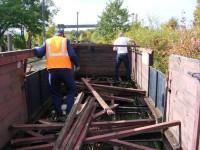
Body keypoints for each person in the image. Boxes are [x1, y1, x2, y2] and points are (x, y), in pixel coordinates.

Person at [34, 29, 80, 120]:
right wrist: (77, 65)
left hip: (52, 72)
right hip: (65, 71)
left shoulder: (47, 41)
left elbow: (39, 54)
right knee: (72, 89)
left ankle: (59, 115)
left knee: (55, 93)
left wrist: (35, 48)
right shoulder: (65, 41)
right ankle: (68, 113)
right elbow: (72, 55)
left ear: (54, 35)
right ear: (62, 35)